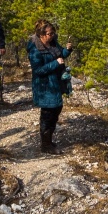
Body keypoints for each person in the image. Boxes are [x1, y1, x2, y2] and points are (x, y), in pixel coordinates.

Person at [27, 20, 71, 153]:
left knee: (56, 109)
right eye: (49, 34)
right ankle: (45, 145)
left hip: (56, 83)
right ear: (41, 35)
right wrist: (55, 64)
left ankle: (48, 141)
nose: (52, 36)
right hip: (44, 86)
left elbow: (60, 54)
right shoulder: (35, 49)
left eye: (53, 33)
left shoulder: (52, 43)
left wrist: (67, 50)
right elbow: (38, 70)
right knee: (48, 114)